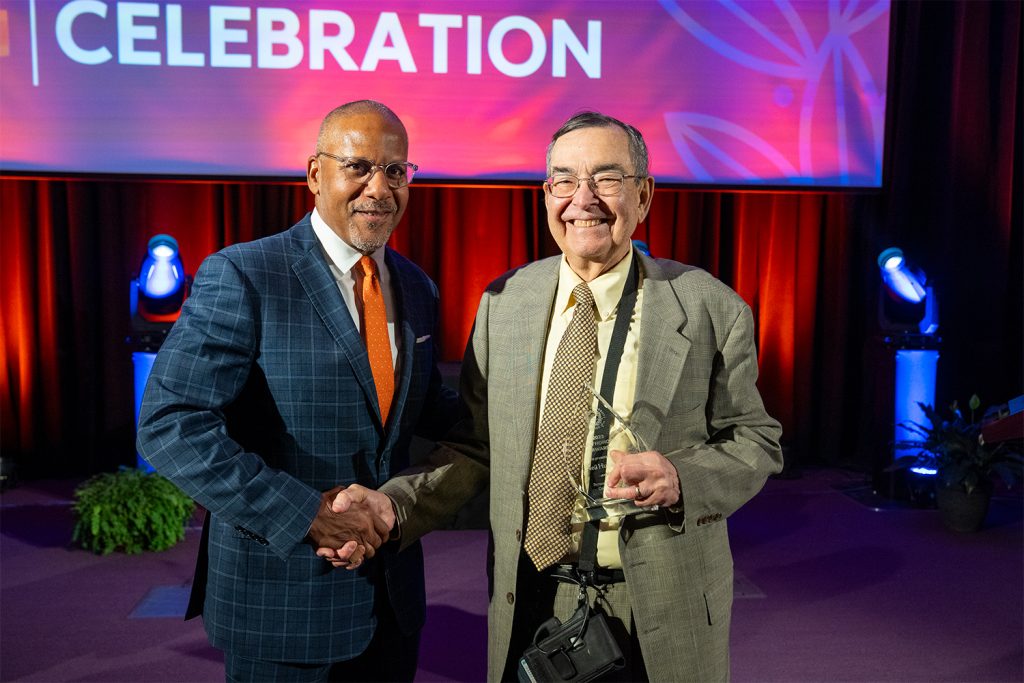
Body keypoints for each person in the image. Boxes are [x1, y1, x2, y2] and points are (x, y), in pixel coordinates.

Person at [345, 111, 783, 681]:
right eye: (565, 180)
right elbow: (477, 447)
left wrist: (681, 478)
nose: (584, 199)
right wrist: (395, 504)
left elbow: (756, 439)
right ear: (546, 194)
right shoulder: (505, 301)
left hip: (658, 599)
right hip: (529, 597)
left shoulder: (706, 306)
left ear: (644, 194)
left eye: (606, 178)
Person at [136, 100, 462, 682]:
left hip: (391, 602)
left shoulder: (415, 285)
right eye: (357, 166)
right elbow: (171, 423)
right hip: (281, 606)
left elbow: (426, 410)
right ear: (315, 174)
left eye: (395, 171)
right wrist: (305, 513)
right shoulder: (246, 273)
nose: (378, 188)